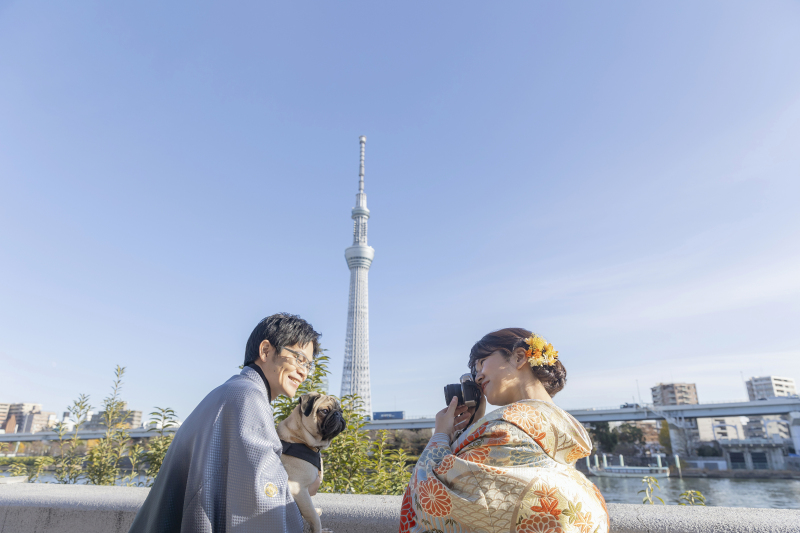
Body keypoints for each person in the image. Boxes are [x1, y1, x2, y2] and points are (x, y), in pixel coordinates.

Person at [400, 328, 609, 533]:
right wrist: (473, 426)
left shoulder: (502, 430)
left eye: (482, 363)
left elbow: (433, 496)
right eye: (474, 371)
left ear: (519, 357)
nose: (478, 377)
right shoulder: (562, 430)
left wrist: (441, 435)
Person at [129, 313, 322, 533]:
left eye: (308, 364)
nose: (304, 372)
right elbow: (262, 501)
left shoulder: (228, 392)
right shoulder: (250, 400)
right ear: (266, 351)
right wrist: (304, 490)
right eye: (299, 358)